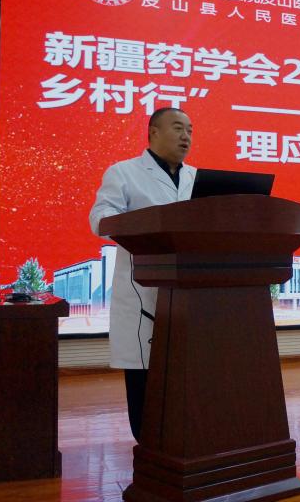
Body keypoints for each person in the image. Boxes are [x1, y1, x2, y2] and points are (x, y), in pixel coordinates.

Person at [89, 107, 196, 442]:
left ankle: (186, 438)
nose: (186, 136)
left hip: (190, 291)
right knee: (145, 373)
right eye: (178, 128)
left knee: (187, 373)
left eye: (190, 130)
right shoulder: (124, 172)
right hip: (142, 290)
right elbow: (100, 218)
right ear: (153, 132)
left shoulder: (197, 178)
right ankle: (148, 442)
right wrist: (148, 225)